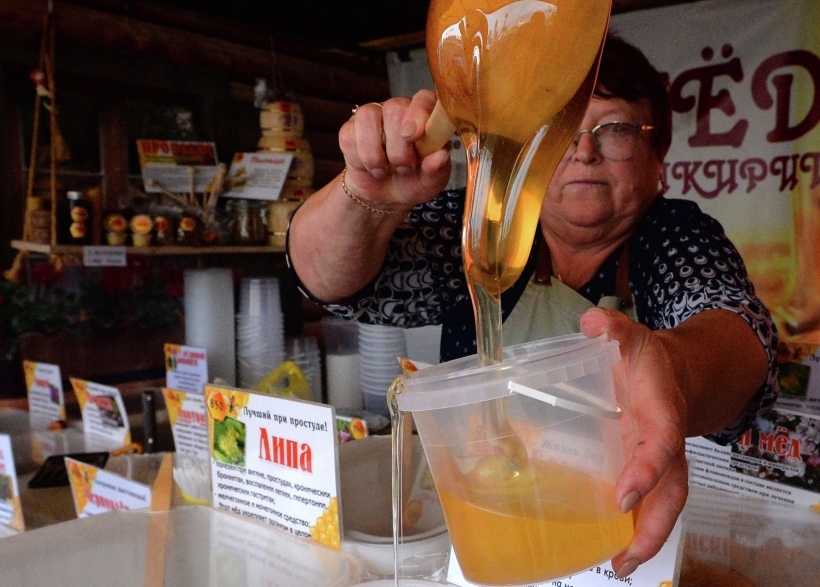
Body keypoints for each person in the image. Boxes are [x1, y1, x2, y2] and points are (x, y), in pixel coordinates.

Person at [287, 34, 779, 578]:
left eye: (614, 129)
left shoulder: (675, 236)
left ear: (657, 155)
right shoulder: (482, 230)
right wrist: (367, 196)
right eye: (563, 131)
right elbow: (328, 281)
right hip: (486, 530)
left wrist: (675, 370)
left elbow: (736, 331)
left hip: (620, 544)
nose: (584, 150)